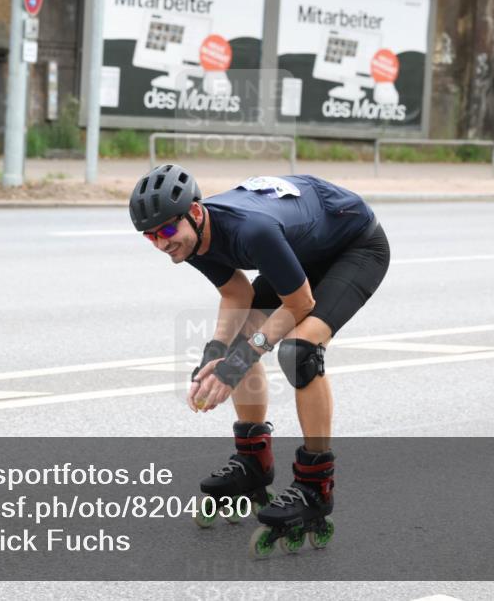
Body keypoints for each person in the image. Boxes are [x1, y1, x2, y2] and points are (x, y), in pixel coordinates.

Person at [129, 163, 390, 555]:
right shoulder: (193, 240)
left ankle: (315, 485)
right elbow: (236, 294)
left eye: (166, 231)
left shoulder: (251, 230)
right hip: (303, 247)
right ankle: (253, 463)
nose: (162, 243)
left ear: (196, 213)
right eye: (150, 237)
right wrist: (216, 355)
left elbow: (300, 303)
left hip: (354, 247)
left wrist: (239, 362)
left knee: (300, 351)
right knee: (238, 340)